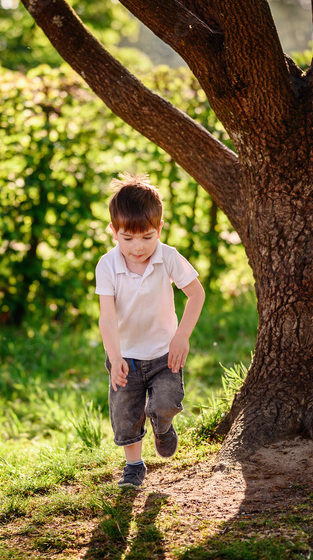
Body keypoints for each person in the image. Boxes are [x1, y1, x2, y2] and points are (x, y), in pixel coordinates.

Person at [94, 173, 205, 488]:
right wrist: (115, 357)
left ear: (159, 229)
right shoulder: (107, 265)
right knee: (126, 416)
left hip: (163, 353)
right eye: (128, 238)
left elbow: (196, 294)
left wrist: (181, 336)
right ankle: (134, 465)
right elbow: (107, 318)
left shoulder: (168, 257)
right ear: (114, 232)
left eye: (146, 237)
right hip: (125, 356)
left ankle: (163, 425)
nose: (137, 247)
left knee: (165, 403)